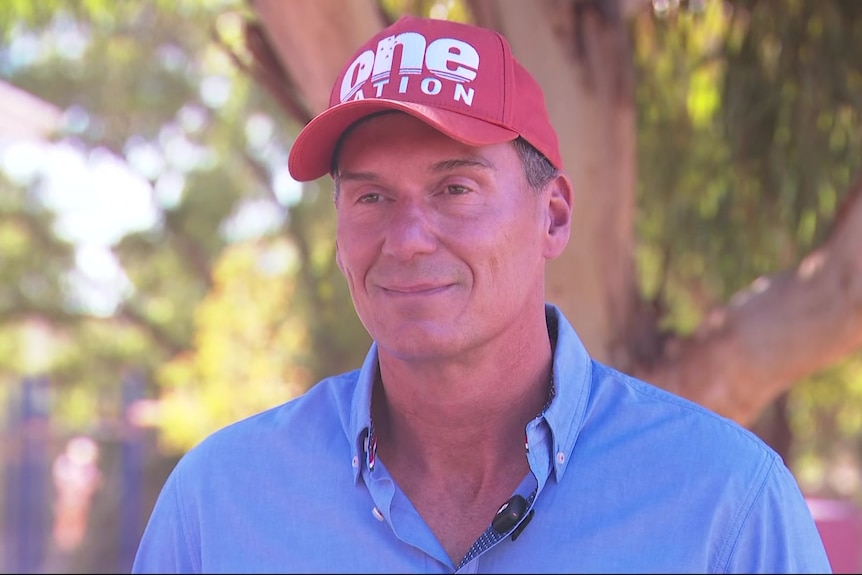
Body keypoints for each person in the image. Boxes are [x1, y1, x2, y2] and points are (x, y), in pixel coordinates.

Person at [132, 15, 832, 574]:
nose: (406, 238)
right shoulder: (220, 502)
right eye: (370, 196)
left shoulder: (725, 501)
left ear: (552, 214)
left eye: (455, 188)